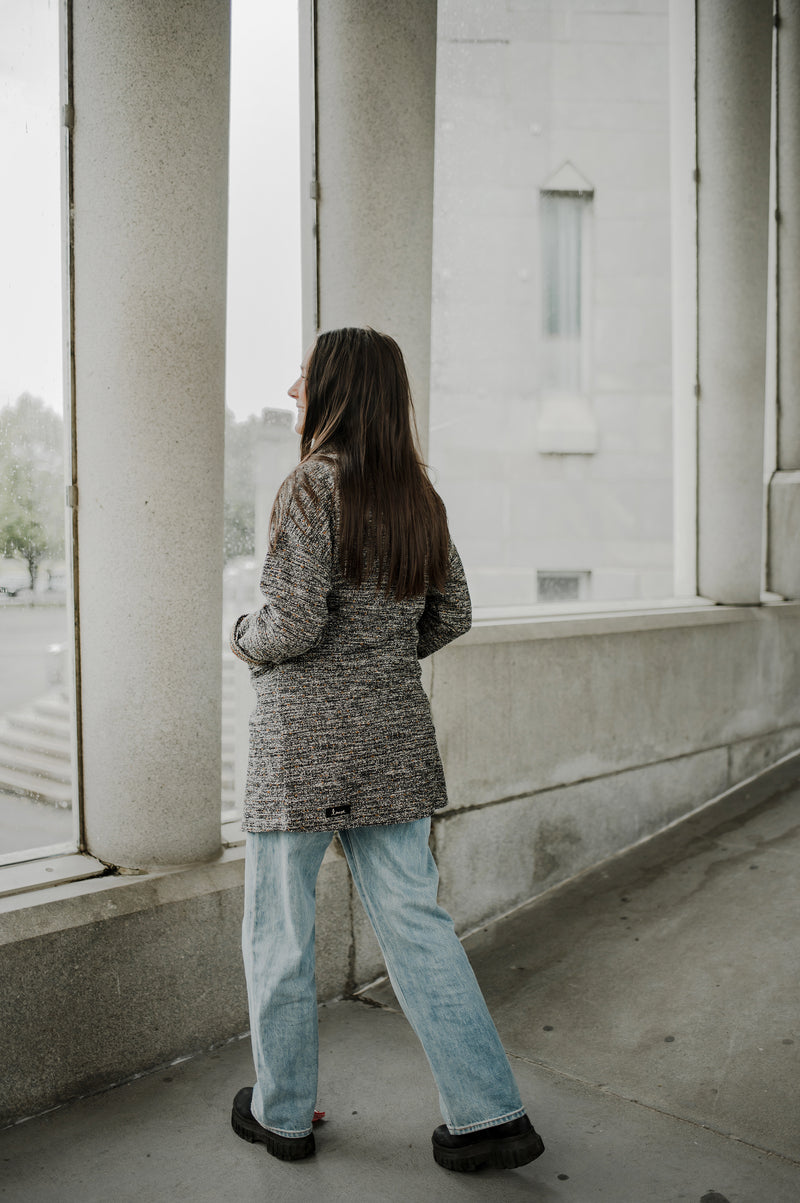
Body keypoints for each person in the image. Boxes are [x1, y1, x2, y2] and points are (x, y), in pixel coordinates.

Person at [228, 327, 544, 1173]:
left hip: (301, 746)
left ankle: (283, 1114)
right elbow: (454, 614)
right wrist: (380, 659)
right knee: (418, 926)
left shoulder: (309, 488)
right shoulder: (417, 497)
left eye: (306, 375)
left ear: (333, 387)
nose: (294, 387)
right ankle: (489, 1116)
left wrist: (241, 635)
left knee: (280, 932)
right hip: (395, 741)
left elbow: (290, 625)